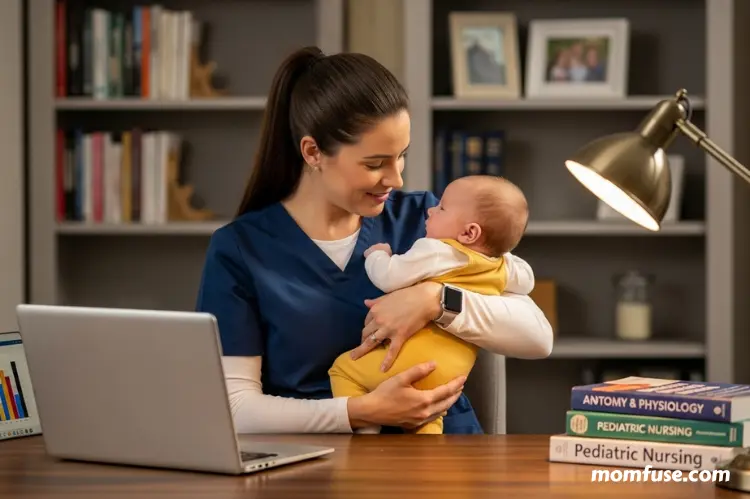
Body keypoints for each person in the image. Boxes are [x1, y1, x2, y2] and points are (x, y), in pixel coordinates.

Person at [195, 46, 553, 435]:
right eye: (374, 163)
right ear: (313, 152)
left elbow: (537, 336)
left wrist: (436, 301)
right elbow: (235, 408)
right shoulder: (241, 249)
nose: (396, 179)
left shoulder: (429, 219)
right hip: (320, 460)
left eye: (401, 156)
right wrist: (358, 412)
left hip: (448, 456)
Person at [328, 175, 534, 434]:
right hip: (448, 374)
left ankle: (366, 429)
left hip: (403, 363)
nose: (431, 209)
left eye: (442, 208)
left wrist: (378, 254)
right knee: (430, 418)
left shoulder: (436, 250)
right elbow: (527, 281)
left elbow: (388, 276)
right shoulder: (505, 267)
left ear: (469, 232)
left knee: (344, 370)